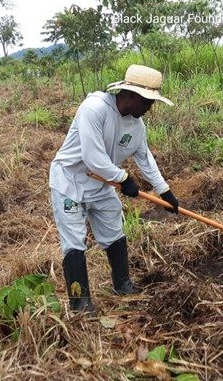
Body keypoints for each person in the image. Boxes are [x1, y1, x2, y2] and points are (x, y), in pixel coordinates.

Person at [49, 65, 179, 313]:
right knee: (75, 241)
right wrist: (123, 177)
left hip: (100, 184)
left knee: (113, 228)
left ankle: (122, 285)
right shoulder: (94, 109)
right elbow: (92, 156)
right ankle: (80, 304)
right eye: (148, 101)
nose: (150, 108)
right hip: (70, 182)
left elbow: (144, 157)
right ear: (131, 95)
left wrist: (164, 190)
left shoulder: (136, 126)